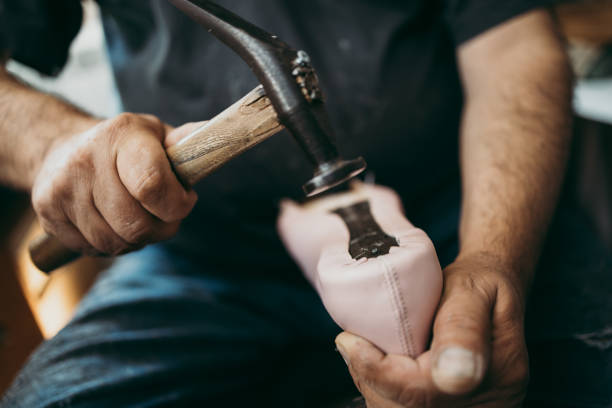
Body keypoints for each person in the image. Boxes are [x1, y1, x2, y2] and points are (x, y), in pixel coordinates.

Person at [0, 1, 610, 407]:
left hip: (462, 213)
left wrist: (494, 257)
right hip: (202, 256)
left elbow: (512, 46)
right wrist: (52, 140)